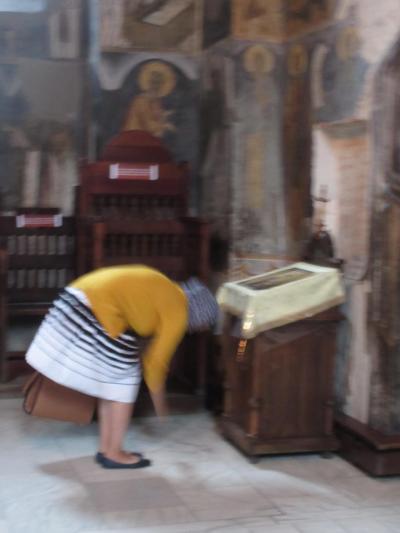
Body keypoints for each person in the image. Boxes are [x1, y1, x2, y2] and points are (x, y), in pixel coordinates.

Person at [25, 265, 219, 469]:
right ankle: (114, 453)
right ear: (199, 314)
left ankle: (106, 449)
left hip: (79, 294)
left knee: (111, 381)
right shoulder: (179, 310)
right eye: (203, 325)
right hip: (95, 307)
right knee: (123, 381)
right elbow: (155, 362)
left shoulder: (170, 289)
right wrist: (160, 403)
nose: (198, 329)